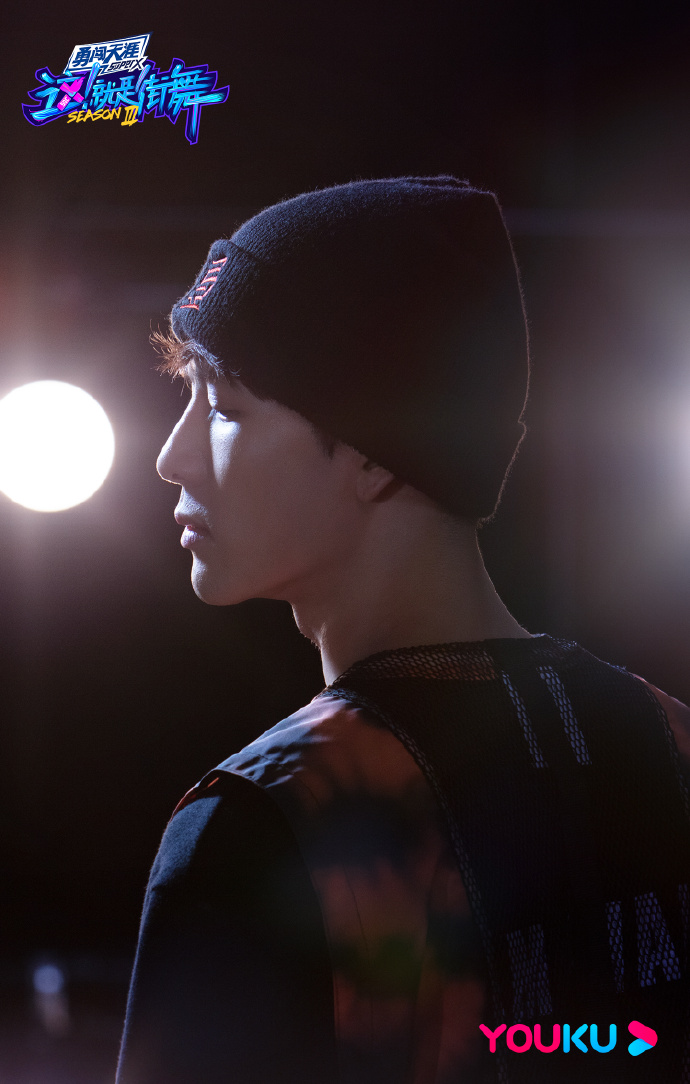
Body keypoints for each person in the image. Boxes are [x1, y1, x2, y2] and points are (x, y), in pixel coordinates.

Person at [116, 177, 690, 1084]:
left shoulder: (262, 821)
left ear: (376, 453)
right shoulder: (668, 742)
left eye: (224, 407)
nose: (170, 456)